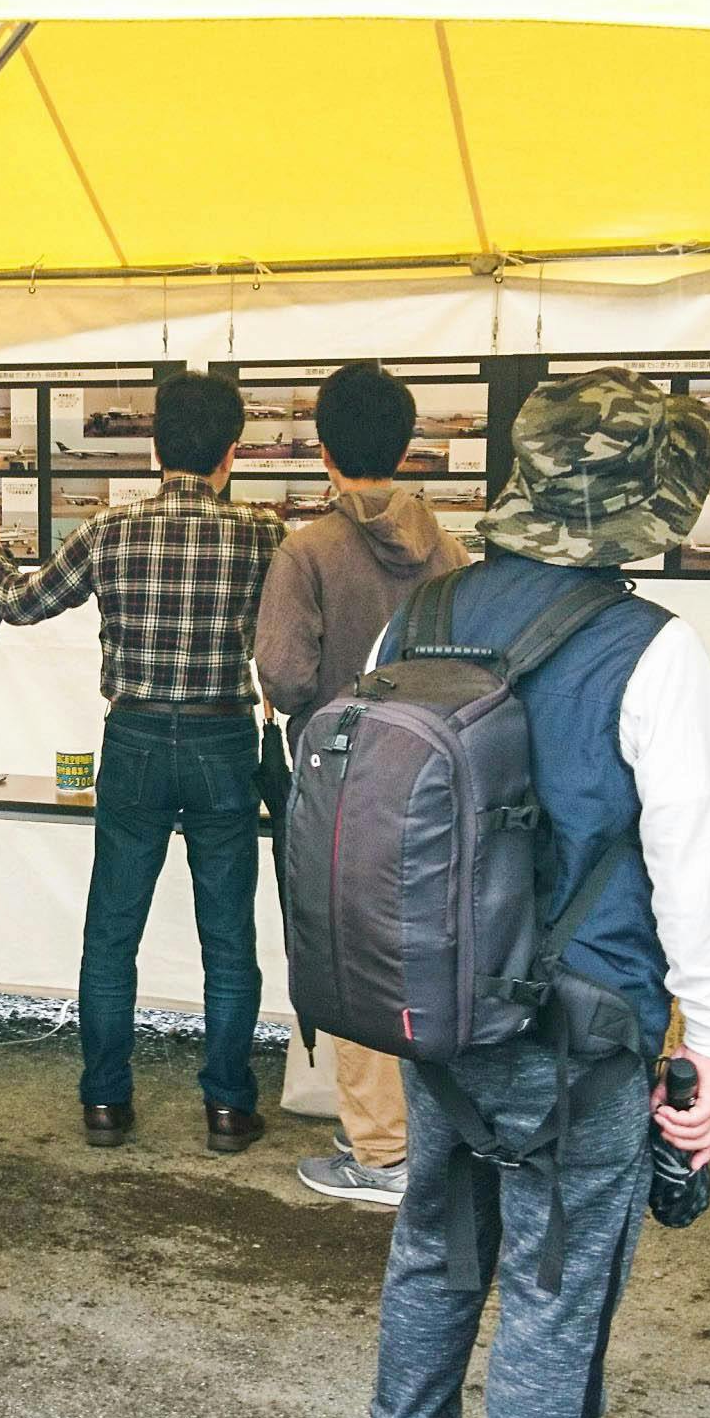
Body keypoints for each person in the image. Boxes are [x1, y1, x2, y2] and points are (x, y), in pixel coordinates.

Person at [355, 369, 710, 1418]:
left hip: (435, 1000)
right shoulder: (648, 646)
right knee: (557, 1279)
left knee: (437, 1238)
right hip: (581, 1027)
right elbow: (694, 862)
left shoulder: (419, 615)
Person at [0, 370, 285, 1154]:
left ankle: (105, 1102)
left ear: (154, 451)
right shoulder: (263, 532)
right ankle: (228, 1108)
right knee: (229, 936)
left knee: (112, 931)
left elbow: (21, 602)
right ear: (232, 453)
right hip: (224, 739)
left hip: (134, 737)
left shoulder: (110, 529)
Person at [254, 361, 466, 1209]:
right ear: (407, 446)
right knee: (428, 951)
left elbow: (282, 673)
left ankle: (380, 1152)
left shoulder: (307, 551)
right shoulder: (451, 551)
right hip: (440, 784)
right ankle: (428, 1136)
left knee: (354, 959)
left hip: (340, 787)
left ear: (325, 451)